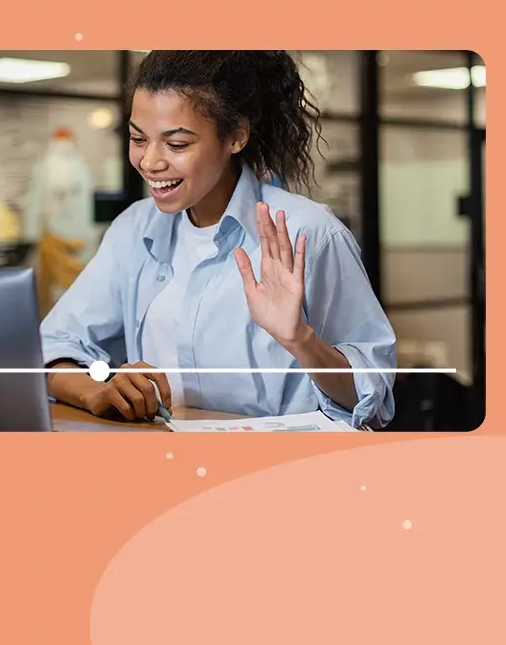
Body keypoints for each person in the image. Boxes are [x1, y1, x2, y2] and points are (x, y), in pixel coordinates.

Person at [40, 50, 398, 429]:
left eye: (176, 144)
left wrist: (300, 340)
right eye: (137, 138)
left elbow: (371, 398)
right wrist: (97, 389)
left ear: (235, 137)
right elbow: (54, 345)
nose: (149, 162)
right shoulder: (134, 229)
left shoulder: (307, 233)